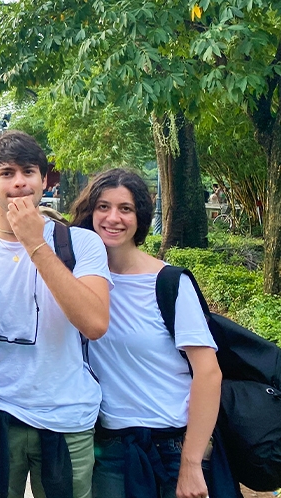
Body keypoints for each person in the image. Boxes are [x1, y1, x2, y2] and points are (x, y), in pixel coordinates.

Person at [0, 130, 112, 498]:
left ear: (44, 181)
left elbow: (94, 324)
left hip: (65, 416)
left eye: (29, 172)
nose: (19, 183)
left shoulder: (80, 242)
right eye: (7, 173)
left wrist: (35, 241)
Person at [69, 168, 222, 498]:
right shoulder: (77, 283)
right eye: (103, 207)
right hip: (109, 448)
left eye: (125, 208)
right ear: (89, 213)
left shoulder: (169, 283)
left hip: (172, 447)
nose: (114, 218)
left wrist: (191, 463)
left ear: (140, 217)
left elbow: (208, 372)